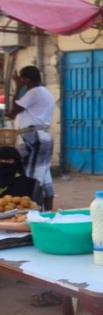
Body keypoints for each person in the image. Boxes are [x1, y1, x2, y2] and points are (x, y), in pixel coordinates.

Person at [6, 65, 55, 211]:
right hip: (43, 136)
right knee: (43, 173)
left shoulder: (33, 93)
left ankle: (31, 207)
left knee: (29, 174)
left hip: (31, 136)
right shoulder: (45, 92)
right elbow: (13, 113)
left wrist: (17, 87)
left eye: (22, 80)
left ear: (25, 79)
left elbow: (13, 110)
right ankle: (48, 209)